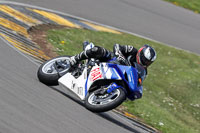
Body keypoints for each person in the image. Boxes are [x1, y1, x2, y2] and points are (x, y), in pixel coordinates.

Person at [70, 41, 157, 73]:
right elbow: (117, 46)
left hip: (116, 73)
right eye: (146, 60)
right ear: (141, 54)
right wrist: (120, 56)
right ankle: (75, 58)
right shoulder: (132, 50)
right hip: (111, 59)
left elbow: (138, 83)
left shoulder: (143, 71)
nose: (146, 63)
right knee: (98, 50)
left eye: (149, 62)